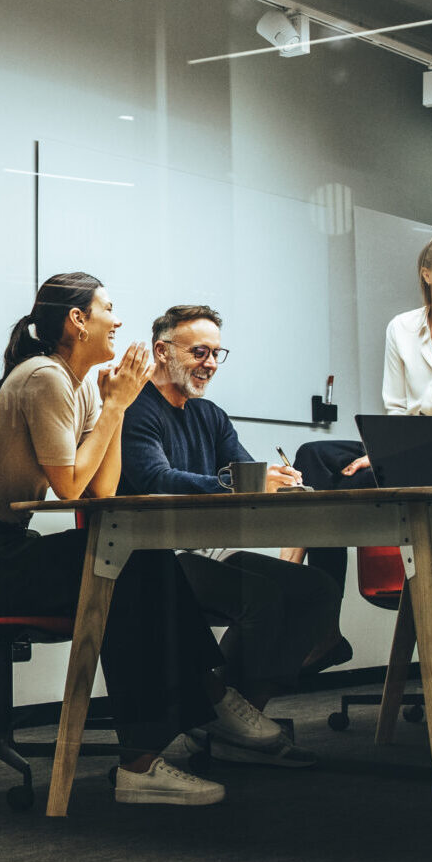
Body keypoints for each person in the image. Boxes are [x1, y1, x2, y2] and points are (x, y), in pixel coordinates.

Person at [0, 272, 295, 808]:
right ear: (78, 320)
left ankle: (166, 736)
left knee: (131, 559)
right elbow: (69, 487)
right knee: (124, 564)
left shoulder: (80, 384)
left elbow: (99, 491)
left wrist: (117, 407)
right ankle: (189, 717)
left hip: (7, 549)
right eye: (108, 307)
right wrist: (115, 408)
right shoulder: (44, 378)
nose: (118, 318)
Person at [117, 306, 344, 760]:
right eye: (199, 352)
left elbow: (245, 473)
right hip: (151, 558)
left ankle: (239, 716)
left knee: (315, 587)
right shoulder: (136, 409)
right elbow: (157, 480)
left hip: (204, 552)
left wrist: (278, 481)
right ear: (162, 352)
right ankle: (221, 711)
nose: (210, 363)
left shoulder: (210, 416)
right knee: (260, 597)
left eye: (217, 353)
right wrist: (246, 480)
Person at [289, 228, 432, 595]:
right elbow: (395, 407)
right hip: (408, 444)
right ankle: (321, 608)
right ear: (427, 274)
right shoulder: (402, 327)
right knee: (313, 455)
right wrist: (380, 453)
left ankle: (303, 587)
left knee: (334, 492)